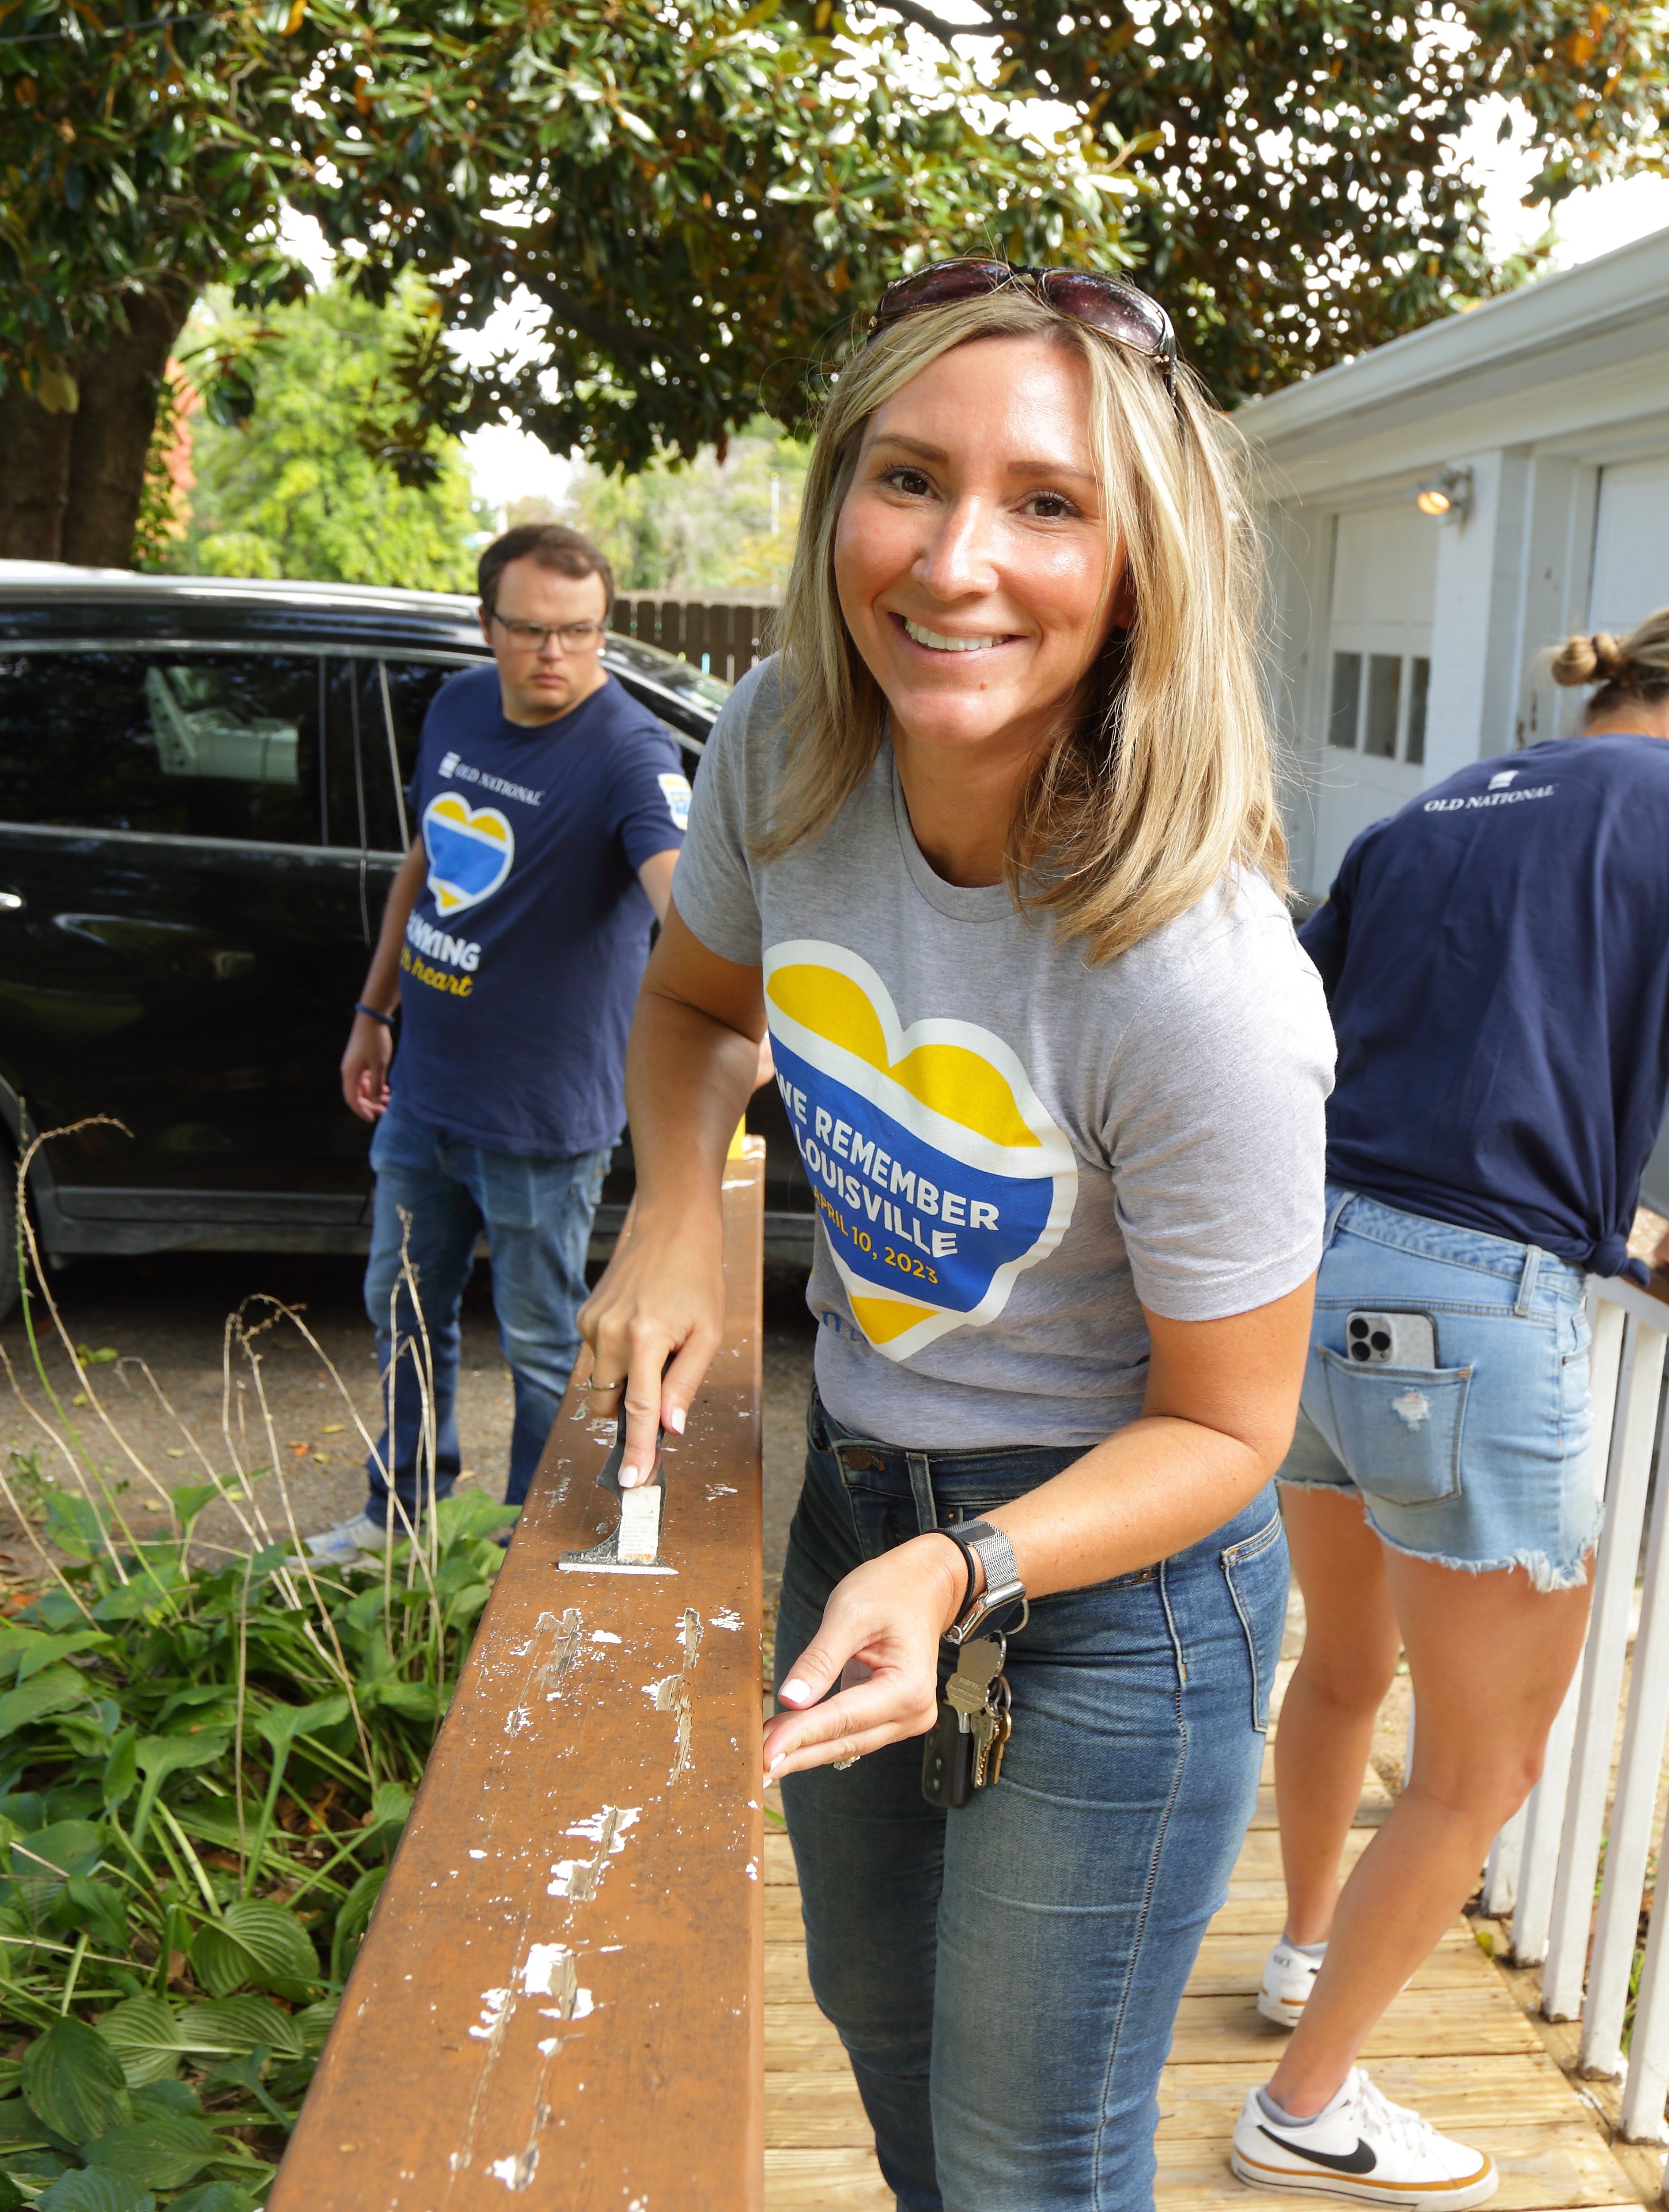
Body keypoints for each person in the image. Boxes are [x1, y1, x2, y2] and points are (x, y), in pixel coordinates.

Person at [575, 262, 1334, 2209]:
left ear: (1140, 564)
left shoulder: (1198, 980)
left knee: (1033, 2164)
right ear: (839, 501)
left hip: (1111, 1587)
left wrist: (969, 1562)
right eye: (909, 478)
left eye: (1047, 503)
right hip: (853, 1499)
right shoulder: (780, 747)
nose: (956, 560)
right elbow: (687, 1012)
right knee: (886, 2045)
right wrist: (677, 1217)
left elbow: (1233, 1433)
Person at [1231, 599, 1669, 2205]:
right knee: (1482, 1769)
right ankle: (1304, 2103)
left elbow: (1287, 1041)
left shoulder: (1434, 811)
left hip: (1307, 1277)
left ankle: (1299, 1954)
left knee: (1343, 1664)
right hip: (1477, 1300)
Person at [311, 524, 691, 1559]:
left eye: (581, 633)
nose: (556, 655)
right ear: (489, 626)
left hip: (543, 1119)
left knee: (541, 1347)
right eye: (531, 631)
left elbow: (687, 905)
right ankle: (398, 1517)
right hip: (424, 1089)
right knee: (402, 1315)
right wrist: (372, 1011)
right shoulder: (458, 707)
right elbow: (426, 858)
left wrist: (734, 1016)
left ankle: (519, 1553)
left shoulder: (629, 754)